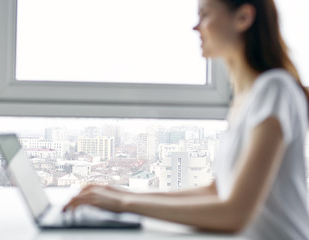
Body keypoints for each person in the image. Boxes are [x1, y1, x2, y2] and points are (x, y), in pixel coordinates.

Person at [63, 0, 309, 239]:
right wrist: (122, 195)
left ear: (243, 17)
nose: (196, 26)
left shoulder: (275, 89)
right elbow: (217, 191)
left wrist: (125, 203)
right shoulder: (246, 98)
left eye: (205, 14)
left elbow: (235, 214)